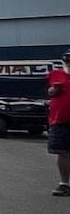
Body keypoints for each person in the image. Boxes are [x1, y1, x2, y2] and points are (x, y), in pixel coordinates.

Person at [49, 48, 70, 196]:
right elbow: (48, 91)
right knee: (62, 152)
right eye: (68, 60)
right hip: (60, 118)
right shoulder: (55, 74)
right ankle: (64, 184)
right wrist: (53, 90)